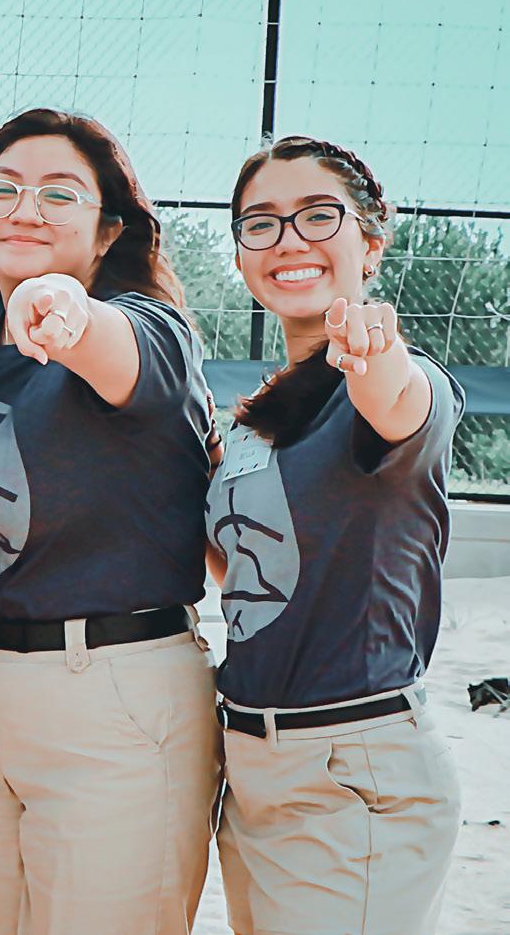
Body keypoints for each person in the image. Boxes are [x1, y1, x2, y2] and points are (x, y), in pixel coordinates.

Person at [0, 109, 219, 935]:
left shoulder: (150, 326)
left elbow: (110, 344)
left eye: (60, 193)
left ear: (109, 228)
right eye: (3, 188)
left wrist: (65, 307)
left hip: (113, 697)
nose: (26, 208)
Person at [212, 137, 464, 935]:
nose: (289, 239)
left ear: (372, 244)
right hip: (249, 766)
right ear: (242, 255)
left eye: (319, 215)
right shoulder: (252, 424)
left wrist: (376, 356)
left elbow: (397, 397)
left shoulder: (394, 382)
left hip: (354, 772)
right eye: (261, 223)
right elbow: (242, 569)